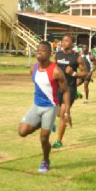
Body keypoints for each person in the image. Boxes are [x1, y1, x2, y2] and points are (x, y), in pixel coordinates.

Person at [18, 41, 71, 173]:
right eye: (38, 50)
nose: (39, 52)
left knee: (44, 138)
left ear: (50, 54)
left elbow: (66, 91)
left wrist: (67, 112)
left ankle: (45, 160)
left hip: (51, 107)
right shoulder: (33, 69)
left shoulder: (56, 71)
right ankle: (45, 125)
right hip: (36, 105)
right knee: (22, 131)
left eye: (43, 50)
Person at [53, 33, 88, 148]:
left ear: (72, 44)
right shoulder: (57, 55)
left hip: (69, 89)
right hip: (58, 88)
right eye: (63, 40)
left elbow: (85, 73)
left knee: (62, 114)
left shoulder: (76, 57)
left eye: (67, 41)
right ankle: (67, 113)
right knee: (58, 113)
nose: (64, 43)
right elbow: (53, 69)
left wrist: (73, 73)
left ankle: (58, 141)